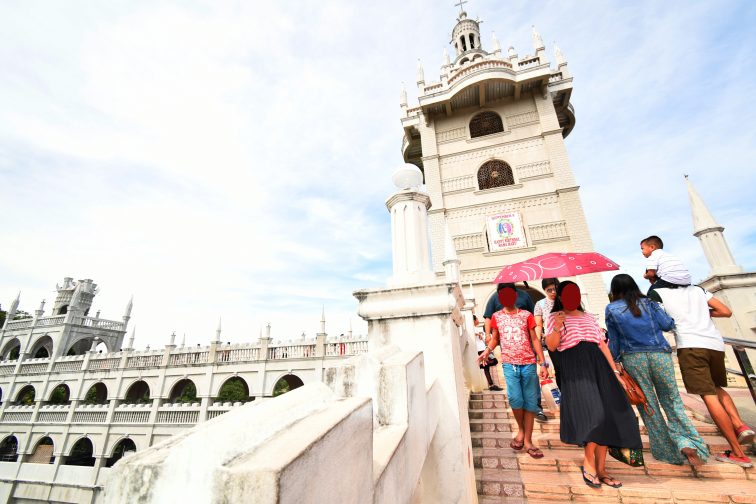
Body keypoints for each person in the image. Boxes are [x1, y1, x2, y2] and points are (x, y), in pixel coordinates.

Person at [546, 281, 642, 489]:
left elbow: (601, 344)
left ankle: (602, 470)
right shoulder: (555, 317)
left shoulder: (589, 317)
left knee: (607, 416)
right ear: (560, 297)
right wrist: (557, 326)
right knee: (594, 415)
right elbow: (552, 346)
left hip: (599, 365)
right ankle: (588, 463)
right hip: (575, 368)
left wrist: (615, 372)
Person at [606, 274, 708, 466]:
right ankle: (687, 441)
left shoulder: (612, 309)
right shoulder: (650, 303)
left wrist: (616, 362)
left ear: (615, 290)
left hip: (633, 358)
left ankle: (668, 452)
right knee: (672, 400)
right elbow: (667, 325)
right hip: (659, 354)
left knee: (648, 404)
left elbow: (615, 340)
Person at [649, 285, 755, 468]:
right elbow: (725, 311)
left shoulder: (658, 293)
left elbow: (664, 322)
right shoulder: (697, 290)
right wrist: (703, 313)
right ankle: (739, 424)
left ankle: (738, 453)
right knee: (716, 387)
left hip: (691, 346)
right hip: (714, 344)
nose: (644, 274)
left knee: (708, 395)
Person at [478, 284, 548, 459]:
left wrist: (543, 362)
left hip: (529, 363)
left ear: (515, 295)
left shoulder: (526, 315)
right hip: (509, 364)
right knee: (516, 399)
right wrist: (487, 350)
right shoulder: (496, 317)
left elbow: (534, 339)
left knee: (530, 401)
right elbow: (495, 339)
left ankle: (528, 440)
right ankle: (521, 430)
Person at [534, 278, 560, 387]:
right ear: (544, 290)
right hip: (552, 343)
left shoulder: (564, 300)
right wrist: (537, 340)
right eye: (549, 290)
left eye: (555, 289)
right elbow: (538, 325)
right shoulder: (540, 304)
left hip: (569, 341)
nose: (553, 292)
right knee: (559, 371)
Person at [474, 315, 503, 391]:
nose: (478, 320)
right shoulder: (473, 329)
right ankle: (480, 365)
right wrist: (478, 334)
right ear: (473, 320)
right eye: (476, 319)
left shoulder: (477, 329)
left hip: (484, 349)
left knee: (486, 369)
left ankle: (491, 385)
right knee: (494, 361)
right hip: (481, 350)